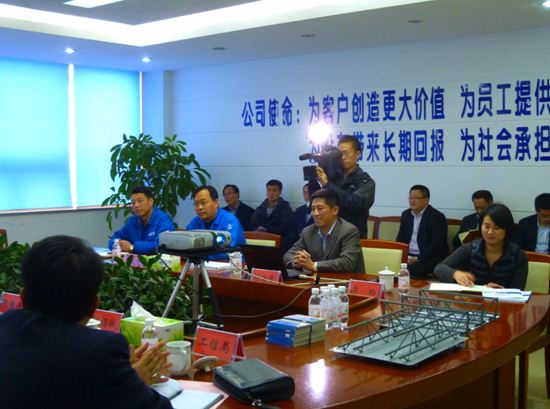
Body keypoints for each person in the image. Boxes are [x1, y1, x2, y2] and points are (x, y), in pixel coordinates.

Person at [0, 235, 172, 409]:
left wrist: (123, 377)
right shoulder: (100, 351)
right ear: (94, 306)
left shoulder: (5, 325)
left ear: (22, 297)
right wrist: (135, 383)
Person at [435, 204, 528, 289]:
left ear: (506, 229)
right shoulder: (470, 248)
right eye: (487, 226)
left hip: (503, 300)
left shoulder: (518, 255)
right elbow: (439, 268)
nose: (490, 232)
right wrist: (455, 274)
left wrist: (500, 291)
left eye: (496, 228)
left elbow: (518, 290)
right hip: (473, 299)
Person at [283, 188, 364, 273]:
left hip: (345, 280)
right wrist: (297, 262)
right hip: (317, 279)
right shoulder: (308, 231)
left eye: (320, 208)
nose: (315, 213)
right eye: (313, 209)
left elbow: (347, 262)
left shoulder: (349, 231)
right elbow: (288, 255)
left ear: (335, 210)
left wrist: (314, 265)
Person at [316, 134, 375, 238]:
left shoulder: (366, 182)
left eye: (346, 153)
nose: (342, 158)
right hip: (331, 235)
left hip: (353, 237)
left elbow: (353, 203)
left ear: (357, 154)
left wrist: (328, 185)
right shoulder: (333, 177)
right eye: (340, 154)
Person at [396, 184, 448, 278]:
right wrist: (400, 255)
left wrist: (418, 258)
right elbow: (400, 238)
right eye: (410, 198)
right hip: (408, 255)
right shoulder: (406, 215)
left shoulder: (436, 217)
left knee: (408, 271)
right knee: (388, 265)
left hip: (427, 257)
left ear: (426, 200)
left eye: (416, 198)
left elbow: (437, 244)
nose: (412, 201)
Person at [108, 185, 174, 254]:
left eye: (140, 201)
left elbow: (161, 246)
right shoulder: (132, 221)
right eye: (133, 202)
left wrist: (132, 247)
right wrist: (118, 244)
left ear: (151, 201)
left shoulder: (163, 220)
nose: (136, 205)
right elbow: (114, 239)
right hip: (134, 260)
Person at [186, 185, 246, 260]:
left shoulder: (230, 222)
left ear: (216, 202)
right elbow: (186, 244)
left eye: (203, 202)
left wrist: (197, 255)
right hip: (201, 264)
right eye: (196, 204)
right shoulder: (195, 222)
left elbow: (225, 252)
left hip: (231, 265)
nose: (199, 207)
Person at [282, 183, 315, 252]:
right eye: (305, 193)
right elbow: (292, 227)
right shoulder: (299, 210)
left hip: (313, 242)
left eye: (309, 192)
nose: (308, 195)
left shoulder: (320, 211)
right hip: (297, 241)